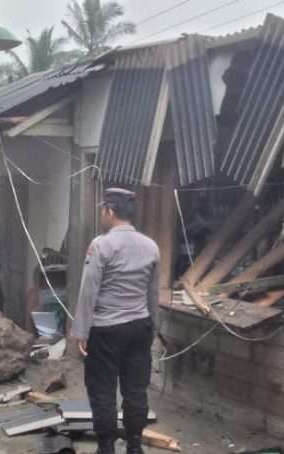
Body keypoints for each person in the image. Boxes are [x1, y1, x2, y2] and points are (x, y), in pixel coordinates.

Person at [71, 188, 160, 454]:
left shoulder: (102, 244)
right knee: (136, 389)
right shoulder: (151, 245)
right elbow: (153, 293)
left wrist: (81, 331)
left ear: (110, 212)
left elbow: (89, 290)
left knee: (102, 390)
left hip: (106, 329)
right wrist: (152, 327)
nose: (102, 215)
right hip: (139, 326)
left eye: (103, 210)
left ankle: (106, 447)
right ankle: (135, 446)